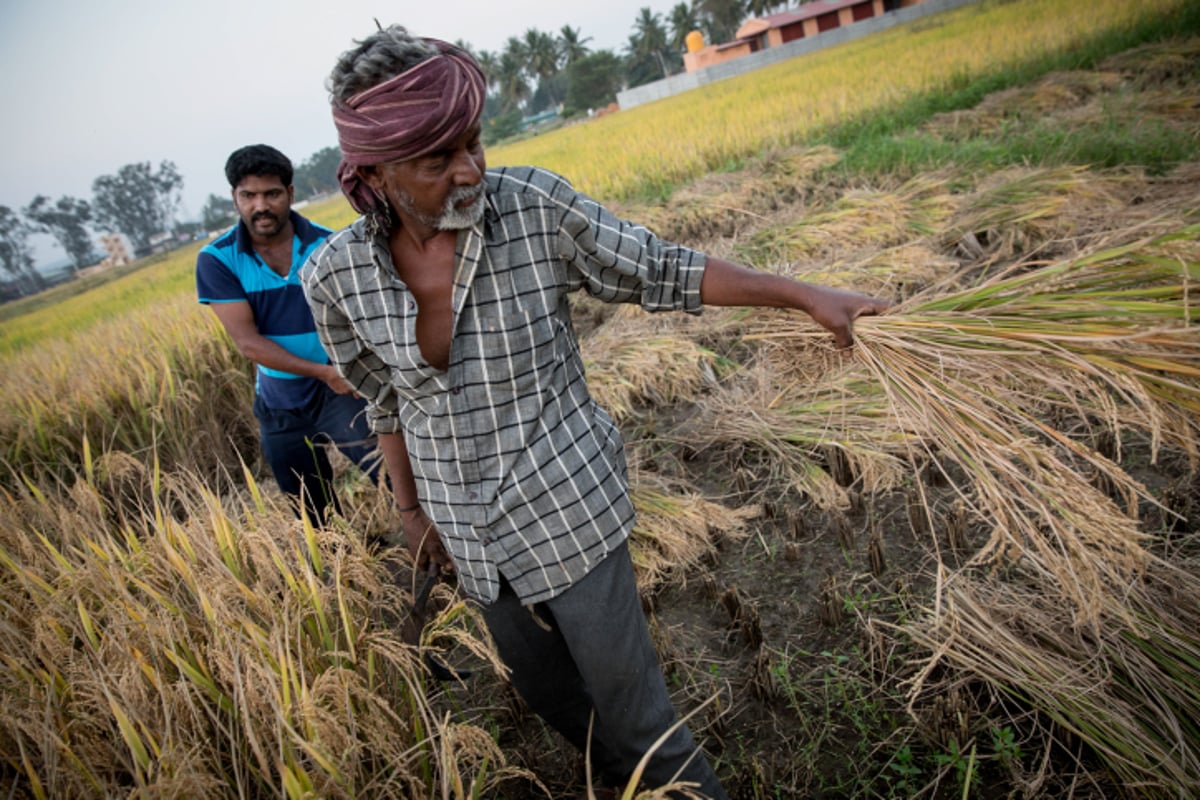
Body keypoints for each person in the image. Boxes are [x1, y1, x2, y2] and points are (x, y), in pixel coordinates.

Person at [302, 27, 889, 800]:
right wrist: (410, 510)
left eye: (473, 143)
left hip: (567, 504)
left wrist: (806, 294)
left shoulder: (532, 209)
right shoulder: (335, 276)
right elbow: (384, 399)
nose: (469, 169)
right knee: (556, 704)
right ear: (374, 169)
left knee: (638, 714)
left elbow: (661, 268)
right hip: (468, 531)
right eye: (437, 160)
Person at [197, 144, 380, 524]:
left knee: (394, 474)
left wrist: (342, 372)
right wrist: (324, 372)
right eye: (248, 195)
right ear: (235, 198)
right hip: (281, 401)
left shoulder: (329, 245)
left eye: (271, 194)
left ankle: (440, 550)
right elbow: (249, 343)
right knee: (312, 511)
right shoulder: (217, 259)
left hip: (340, 389)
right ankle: (347, 572)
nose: (260, 206)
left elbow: (362, 318)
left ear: (290, 194)